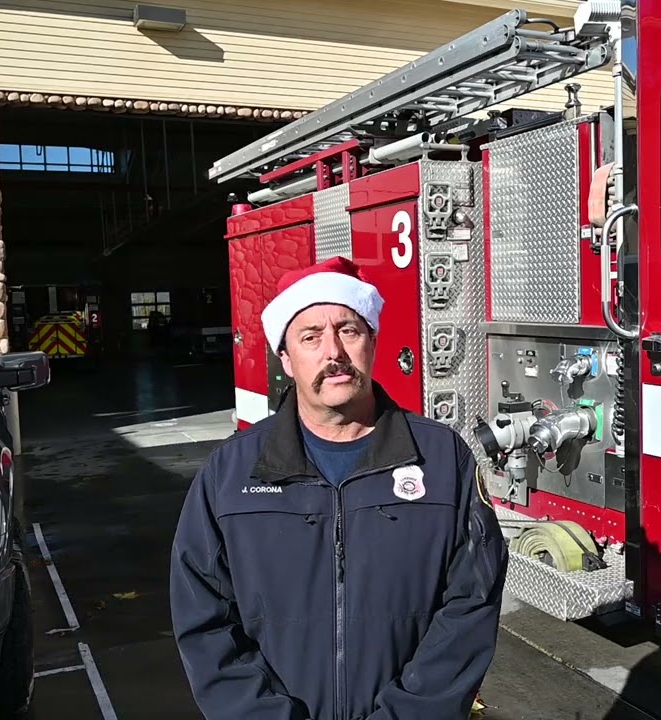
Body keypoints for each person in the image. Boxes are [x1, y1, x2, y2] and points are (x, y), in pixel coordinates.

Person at [169, 256, 509, 720]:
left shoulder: (443, 461)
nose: (333, 353)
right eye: (310, 337)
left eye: (348, 330)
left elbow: (470, 608)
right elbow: (204, 622)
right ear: (286, 359)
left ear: (372, 342)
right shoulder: (231, 473)